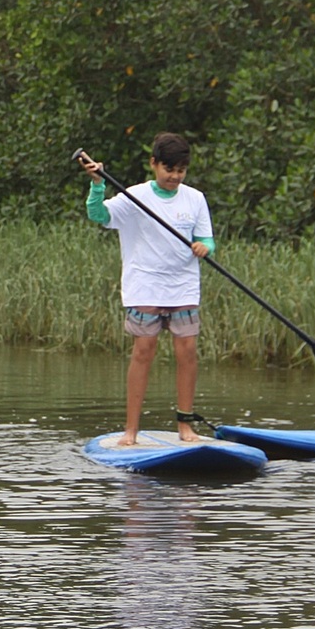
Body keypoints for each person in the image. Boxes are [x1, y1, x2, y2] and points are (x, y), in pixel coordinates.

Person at [78, 132, 215, 446]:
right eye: (169, 169)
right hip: (145, 286)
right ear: (154, 164)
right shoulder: (135, 196)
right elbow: (99, 215)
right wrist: (97, 184)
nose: (175, 177)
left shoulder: (195, 198)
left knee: (188, 352)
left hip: (183, 288)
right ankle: (131, 431)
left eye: (181, 171)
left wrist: (205, 247)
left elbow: (207, 238)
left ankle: (185, 425)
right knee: (143, 352)